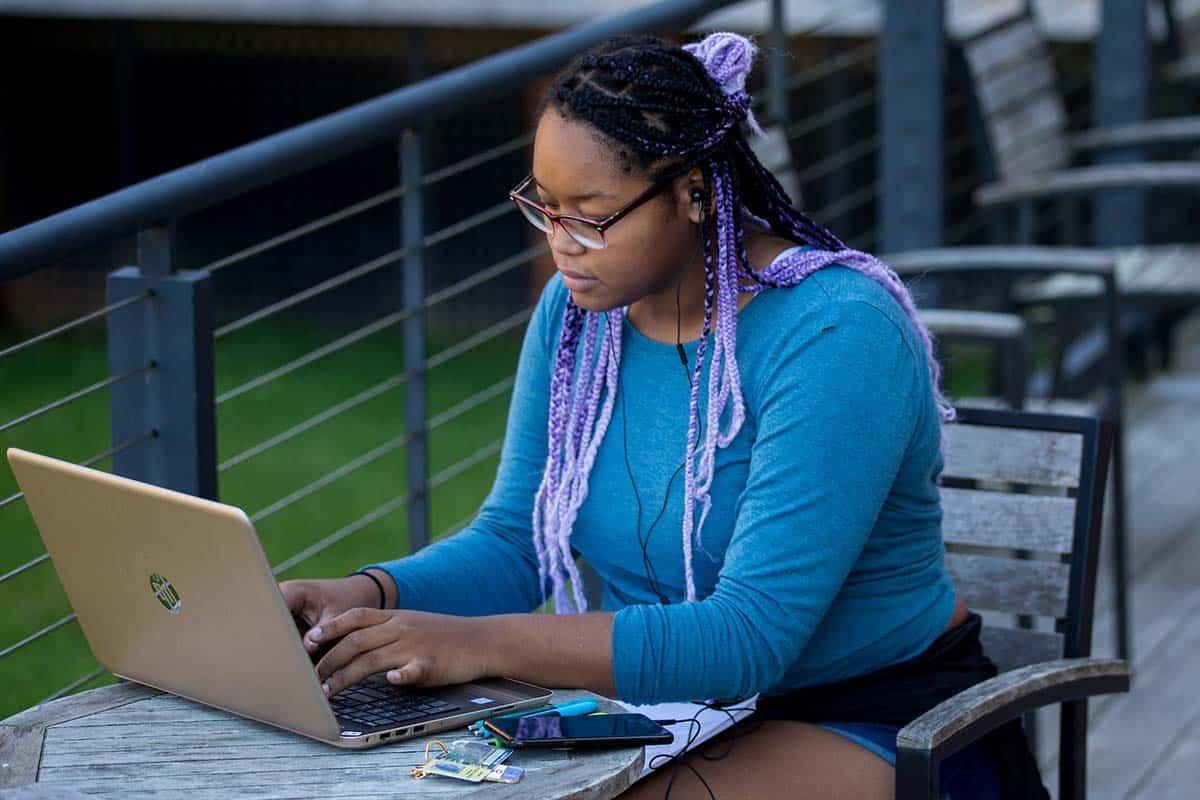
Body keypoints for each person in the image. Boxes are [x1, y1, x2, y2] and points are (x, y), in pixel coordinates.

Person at [280, 32, 1046, 800]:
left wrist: (475, 644)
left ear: (694, 192)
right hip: (663, 714)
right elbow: (519, 541)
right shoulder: (580, 316)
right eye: (545, 208)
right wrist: (368, 597)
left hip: (875, 717)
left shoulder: (837, 333)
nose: (560, 245)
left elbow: (747, 638)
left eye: (592, 215)